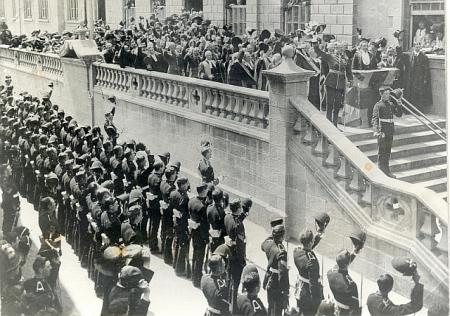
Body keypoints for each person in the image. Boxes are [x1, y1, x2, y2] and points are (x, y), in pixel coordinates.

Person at [314, 41, 353, 127]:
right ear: (334, 48)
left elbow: (349, 72)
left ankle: (335, 125)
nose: (339, 49)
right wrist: (315, 42)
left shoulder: (346, 59)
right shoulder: (329, 56)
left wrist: (350, 80)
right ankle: (328, 124)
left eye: (341, 48)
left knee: (337, 104)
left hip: (341, 84)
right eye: (338, 47)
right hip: (330, 82)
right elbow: (318, 51)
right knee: (330, 103)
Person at [371, 86, 403, 178]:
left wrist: (399, 105)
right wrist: (377, 130)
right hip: (383, 132)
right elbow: (375, 118)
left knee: (388, 152)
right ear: (381, 94)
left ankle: (387, 171)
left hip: (390, 131)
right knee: (382, 152)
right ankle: (381, 172)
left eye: (388, 94)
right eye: (385, 94)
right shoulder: (378, 105)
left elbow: (399, 114)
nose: (388, 95)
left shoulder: (391, 104)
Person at [261, 218, 289, 316]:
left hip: (269, 279)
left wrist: (273, 231)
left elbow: (262, 245)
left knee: (270, 306)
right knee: (277, 310)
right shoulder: (281, 252)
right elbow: (282, 274)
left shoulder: (268, 243)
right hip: (277, 283)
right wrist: (285, 291)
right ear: (282, 236)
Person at [224, 199, 247, 313]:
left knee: (229, 279)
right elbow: (240, 244)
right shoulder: (239, 226)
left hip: (229, 252)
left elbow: (234, 223)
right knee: (236, 282)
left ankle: (227, 302)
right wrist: (242, 260)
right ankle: (234, 309)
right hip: (236, 257)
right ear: (238, 208)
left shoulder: (227, 217)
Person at [293, 229, 323, 316]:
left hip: (300, 289)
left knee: (301, 312)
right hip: (309, 294)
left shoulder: (296, 251)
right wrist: (317, 300)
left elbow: (307, 249)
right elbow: (313, 284)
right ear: (310, 242)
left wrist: (318, 236)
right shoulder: (311, 262)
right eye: (313, 240)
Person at [327, 249, 361, 316]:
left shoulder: (330, 273)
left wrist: (354, 253)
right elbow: (355, 310)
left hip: (334, 308)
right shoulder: (351, 285)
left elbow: (341, 265)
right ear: (347, 264)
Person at [188, 182, 210, 288]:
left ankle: (193, 276)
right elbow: (205, 225)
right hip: (200, 235)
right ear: (204, 191)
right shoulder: (202, 207)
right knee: (199, 258)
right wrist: (206, 238)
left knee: (194, 254)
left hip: (193, 232)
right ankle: (197, 279)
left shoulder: (192, 201)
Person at [404, 42, 432, 113]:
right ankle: (411, 110)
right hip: (411, 78)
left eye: (419, 47)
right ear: (413, 47)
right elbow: (408, 67)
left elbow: (426, 69)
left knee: (419, 94)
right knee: (411, 93)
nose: (417, 48)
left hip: (419, 78)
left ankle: (419, 111)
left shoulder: (424, 57)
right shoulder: (410, 56)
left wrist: (425, 79)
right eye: (416, 47)